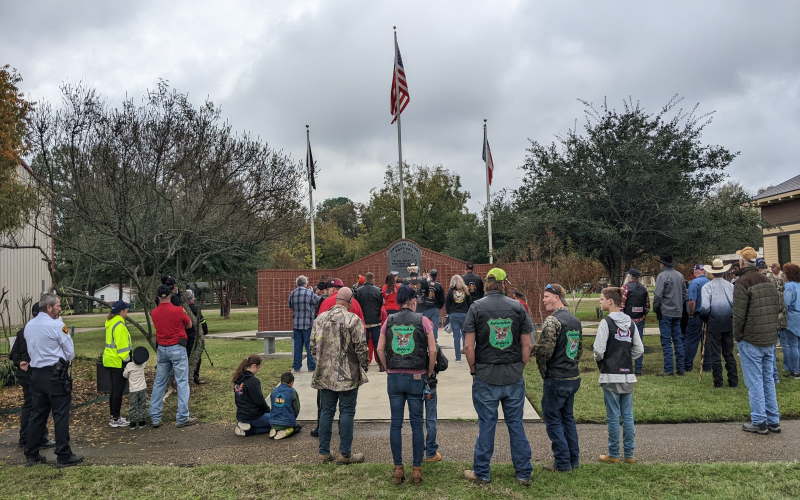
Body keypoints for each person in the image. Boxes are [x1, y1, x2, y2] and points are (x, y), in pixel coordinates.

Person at [464, 268, 533, 486]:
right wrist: (521, 365)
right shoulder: (517, 307)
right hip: (512, 374)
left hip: (486, 375)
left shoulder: (476, 307)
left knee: (486, 424)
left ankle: (482, 472)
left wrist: (474, 368)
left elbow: (468, 345)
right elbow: (527, 344)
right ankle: (523, 472)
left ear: (487, 283)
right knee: (516, 424)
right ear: (504, 284)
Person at [377, 285, 437, 485]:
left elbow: (379, 348)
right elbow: (433, 350)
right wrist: (428, 371)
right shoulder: (423, 320)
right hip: (416, 376)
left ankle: (398, 468)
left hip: (394, 376)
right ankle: (417, 469)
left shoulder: (389, 320)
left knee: (395, 423)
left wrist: (387, 367)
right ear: (412, 301)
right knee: (416, 423)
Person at [24, 293, 83, 467]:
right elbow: (70, 352)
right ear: (48, 308)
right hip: (55, 374)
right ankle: (63, 455)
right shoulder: (57, 325)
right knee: (60, 415)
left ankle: (31, 454)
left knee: (37, 415)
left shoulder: (29, 325)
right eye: (57, 305)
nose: (60, 307)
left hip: (36, 375)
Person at [311, 287, 368, 464]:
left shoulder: (320, 319)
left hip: (325, 374)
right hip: (348, 374)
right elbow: (361, 347)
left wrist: (322, 363)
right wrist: (363, 366)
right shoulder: (353, 319)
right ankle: (345, 454)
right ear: (349, 302)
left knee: (326, 412)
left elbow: (313, 346)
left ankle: (324, 452)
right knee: (347, 412)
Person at [733, 246, 781, 434]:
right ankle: (773, 419)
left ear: (743, 262)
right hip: (769, 337)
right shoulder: (768, 281)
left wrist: (737, 336)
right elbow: (777, 307)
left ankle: (759, 420)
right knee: (768, 379)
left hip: (751, 338)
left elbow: (738, 315)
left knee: (754, 381)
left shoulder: (742, 283)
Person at [534, 283, 581, 473]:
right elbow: (578, 350)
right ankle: (574, 459)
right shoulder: (575, 320)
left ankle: (562, 463)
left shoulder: (552, 321)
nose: (543, 300)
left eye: (546, 296)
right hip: (572, 376)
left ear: (557, 297)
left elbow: (544, 351)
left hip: (557, 378)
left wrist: (544, 372)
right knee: (567, 418)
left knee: (553, 419)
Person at [594, 287, 644, 464]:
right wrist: (626, 357)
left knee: (613, 415)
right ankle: (629, 454)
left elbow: (598, 350)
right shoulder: (630, 322)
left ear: (610, 301)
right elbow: (639, 348)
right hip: (627, 375)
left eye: (601, 299)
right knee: (628, 415)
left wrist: (600, 359)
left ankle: (613, 453)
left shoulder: (606, 322)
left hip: (610, 374)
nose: (600, 302)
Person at [149, 284, 198, 428]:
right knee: (182, 382)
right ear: (170, 295)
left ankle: (155, 417)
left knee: (159, 382)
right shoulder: (178, 310)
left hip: (162, 348)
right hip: (177, 347)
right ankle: (182, 417)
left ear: (158, 296)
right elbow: (189, 324)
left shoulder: (154, 312)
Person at [10, 303, 54, 450]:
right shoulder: (35, 331)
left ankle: (32, 437)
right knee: (34, 407)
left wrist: (18, 361)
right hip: (32, 374)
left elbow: (13, 354)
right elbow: (15, 355)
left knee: (33, 406)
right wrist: (21, 361)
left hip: (29, 374)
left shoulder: (25, 330)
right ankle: (31, 439)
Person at [699, 259, 738, 388]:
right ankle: (733, 381)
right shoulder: (730, 286)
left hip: (714, 322)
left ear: (712, 272)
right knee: (729, 352)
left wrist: (704, 318)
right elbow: (735, 305)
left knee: (715, 353)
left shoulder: (707, 287)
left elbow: (704, 307)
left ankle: (718, 382)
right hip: (728, 321)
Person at [653, 255, 687, 376]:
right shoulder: (680, 275)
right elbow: (684, 294)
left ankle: (668, 369)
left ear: (663, 264)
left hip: (666, 312)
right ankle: (681, 369)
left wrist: (656, 309)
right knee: (678, 340)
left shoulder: (662, 276)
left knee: (666, 341)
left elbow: (657, 296)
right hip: (678, 312)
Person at [103, 300, 133, 428]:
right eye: (126, 310)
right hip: (118, 361)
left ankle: (114, 416)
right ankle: (115, 418)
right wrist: (128, 361)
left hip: (110, 360)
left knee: (114, 390)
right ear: (121, 311)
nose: (127, 312)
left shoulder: (111, 323)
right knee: (118, 391)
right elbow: (122, 348)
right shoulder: (119, 325)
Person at [288, 275, 322, 373]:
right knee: (309, 346)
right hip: (308, 323)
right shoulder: (309, 293)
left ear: (297, 283)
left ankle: (296, 366)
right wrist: (312, 292)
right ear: (305, 283)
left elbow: (290, 305)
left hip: (296, 324)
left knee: (297, 346)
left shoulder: (292, 293)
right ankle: (311, 366)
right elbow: (318, 301)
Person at [232, 355, 272, 436]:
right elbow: (260, 401)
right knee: (281, 421)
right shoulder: (253, 381)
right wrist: (268, 410)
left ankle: (245, 427)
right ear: (254, 366)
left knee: (275, 424)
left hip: (242, 415)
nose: (259, 370)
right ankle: (247, 431)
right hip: (253, 416)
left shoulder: (238, 379)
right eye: (259, 367)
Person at [621, 269, 649, 375]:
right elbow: (647, 307)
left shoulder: (625, 287)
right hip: (640, 320)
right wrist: (642, 316)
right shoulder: (644, 288)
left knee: (625, 344)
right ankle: (638, 369)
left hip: (627, 320)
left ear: (630, 276)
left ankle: (626, 368)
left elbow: (621, 305)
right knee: (639, 343)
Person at [685, 265, 710, 372]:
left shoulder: (694, 283)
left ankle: (688, 365)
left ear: (695, 271)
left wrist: (690, 314)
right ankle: (707, 365)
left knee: (691, 341)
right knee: (707, 341)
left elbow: (691, 301)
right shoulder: (710, 282)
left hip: (697, 315)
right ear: (703, 271)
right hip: (709, 315)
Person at [354, 272, 384, 365]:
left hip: (363, 321)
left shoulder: (358, 291)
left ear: (365, 279)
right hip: (375, 321)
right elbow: (380, 305)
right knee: (377, 343)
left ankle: (364, 363)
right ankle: (380, 364)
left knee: (364, 343)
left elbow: (357, 305)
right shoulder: (378, 290)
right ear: (373, 279)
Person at [445, 275, 472, 362]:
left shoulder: (450, 291)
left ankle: (458, 357)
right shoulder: (465, 290)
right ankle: (466, 353)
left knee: (456, 337)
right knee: (465, 336)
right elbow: (469, 303)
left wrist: (449, 313)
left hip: (454, 315)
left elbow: (447, 304)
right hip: (464, 314)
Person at [184, 289, 208, 385]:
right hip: (194, 337)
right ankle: (195, 377)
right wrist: (204, 332)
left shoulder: (182, 309)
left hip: (184, 338)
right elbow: (203, 323)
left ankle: (187, 376)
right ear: (192, 298)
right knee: (196, 357)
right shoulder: (194, 309)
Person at [268, 372, 302, 440]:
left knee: (277, 424)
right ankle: (286, 431)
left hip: (273, 422)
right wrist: (293, 418)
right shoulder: (292, 391)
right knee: (298, 427)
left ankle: (274, 430)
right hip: (287, 422)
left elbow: (273, 406)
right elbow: (297, 408)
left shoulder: (274, 391)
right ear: (292, 382)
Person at [780, 263, 800, 378]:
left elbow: (785, 303)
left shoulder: (789, 286)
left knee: (792, 345)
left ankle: (795, 370)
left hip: (792, 317)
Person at [124, 346, 149, 429]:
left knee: (133, 406)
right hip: (142, 388)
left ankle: (133, 423)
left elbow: (124, 375)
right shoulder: (142, 365)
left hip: (133, 390)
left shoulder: (129, 365)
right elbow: (145, 358)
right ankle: (142, 422)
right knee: (142, 405)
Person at [418, 269, 445, 340]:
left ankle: (425, 339)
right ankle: (434, 340)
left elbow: (421, 294)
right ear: (436, 276)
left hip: (425, 308)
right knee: (435, 326)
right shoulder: (438, 285)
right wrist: (439, 307)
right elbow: (442, 298)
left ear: (430, 275)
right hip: (435, 308)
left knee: (424, 325)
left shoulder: (425, 283)